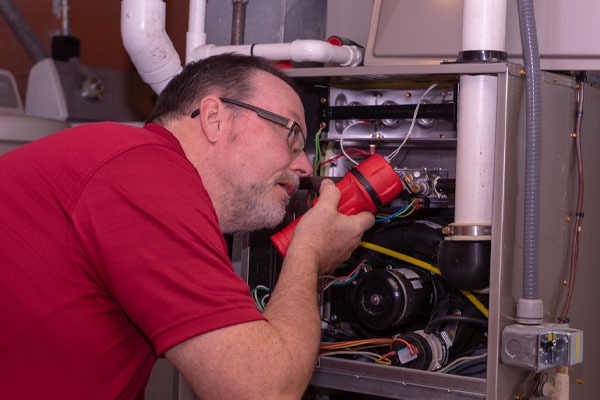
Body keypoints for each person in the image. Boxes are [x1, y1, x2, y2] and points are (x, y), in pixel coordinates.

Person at [0, 53, 374, 399]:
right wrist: (308, 254)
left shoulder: (134, 166)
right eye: (291, 134)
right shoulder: (145, 174)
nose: (305, 167)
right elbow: (262, 391)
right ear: (214, 118)